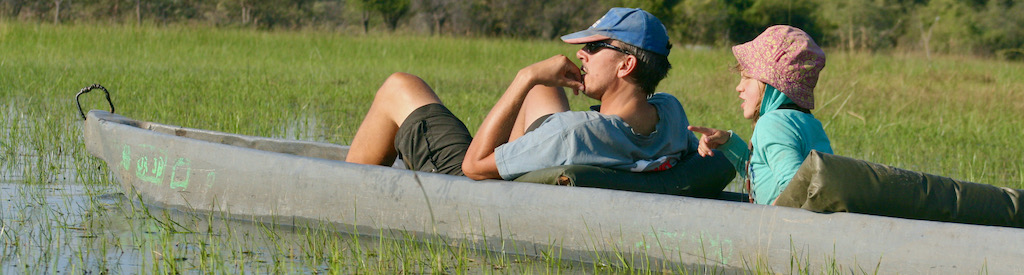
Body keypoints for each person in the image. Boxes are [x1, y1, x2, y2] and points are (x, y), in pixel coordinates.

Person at [345, 7, 699, 181]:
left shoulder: (572, 133)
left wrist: (526, 77)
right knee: (547, 88)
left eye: (594, 46)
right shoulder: (670, 112)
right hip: (596, 145)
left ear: (625, 66)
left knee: (400, 86)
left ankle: (344, 190)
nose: (581, 53)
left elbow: (472, 168)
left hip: (469, 184)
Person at [687, 25, 833, 205]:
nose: (739, 87)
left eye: (747, 77)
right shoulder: (810, 122)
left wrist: (765, 225)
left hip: (785, 229)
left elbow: (796, 190)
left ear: (772, 83)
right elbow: (762, 173)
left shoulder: (771, 124)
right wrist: (728, 142)